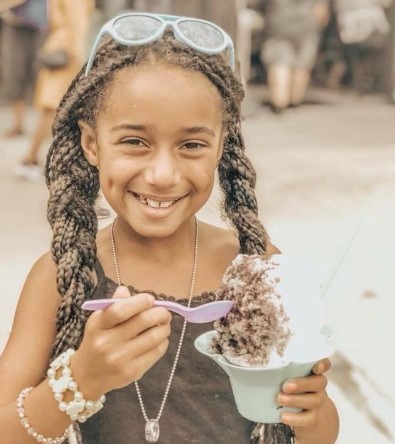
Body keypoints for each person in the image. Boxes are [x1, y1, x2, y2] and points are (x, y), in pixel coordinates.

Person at [0, 12, 339, 444]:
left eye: (192, 145)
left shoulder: (255, 267)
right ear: (91, 144)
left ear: (220, 146)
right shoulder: (60, 276)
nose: (163, 174)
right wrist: (81, 381)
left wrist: (311, 408)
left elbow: (319, 432)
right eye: (134, 142)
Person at [14, 0, 94, 181]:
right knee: (53, 109)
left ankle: (43, 160)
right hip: (67, 53)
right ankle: (31, 159)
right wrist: (83, 61)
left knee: (55, 109)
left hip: (57, 46)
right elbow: (78, 24)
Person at [257, 0, 329, 113]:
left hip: (279, 22)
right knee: (302, 64)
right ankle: (295, 101)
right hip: (307, 24)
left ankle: (279, 102)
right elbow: (321, 8)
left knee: (279, 61)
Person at [0, 0, 47, 138]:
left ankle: (44, 125)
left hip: (41, 25)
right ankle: (18, 124)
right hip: (14, 22)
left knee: (42, 73)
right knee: (14, 72)